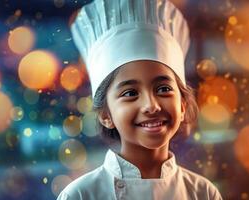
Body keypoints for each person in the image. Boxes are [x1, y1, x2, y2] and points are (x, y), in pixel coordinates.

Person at [58, 0, 223, 199]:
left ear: (182, 105)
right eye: (130, 93)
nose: (151, 106)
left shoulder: (203, 193)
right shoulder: (80, 195)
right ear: (105, 114)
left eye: (163, 89)